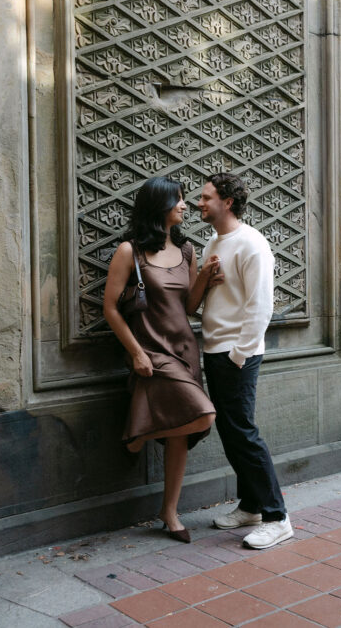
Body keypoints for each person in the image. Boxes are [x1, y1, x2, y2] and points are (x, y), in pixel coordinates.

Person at [103, 176, 218, 543]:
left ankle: (169, 511)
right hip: (150, 348)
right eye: (179, 200)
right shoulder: (129, 251)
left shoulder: (186, 251)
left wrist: (203, 278)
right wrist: (136, 352)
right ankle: (135, 437)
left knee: (184, 430)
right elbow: (110, 308)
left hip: (184, 348)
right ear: (159, 206)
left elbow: (187, 307)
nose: (186, 205)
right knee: (203, 413)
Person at [187, 172, 293, 549]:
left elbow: (261, 305)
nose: (199, 203)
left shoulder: (252, 244)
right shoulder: (214, 241)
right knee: (231, 432)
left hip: (236, 355)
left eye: (206, 197)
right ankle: (251, 506)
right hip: (215, 350)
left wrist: (239, 353)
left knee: (244, 433)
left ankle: (277, 517)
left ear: (227, 202)